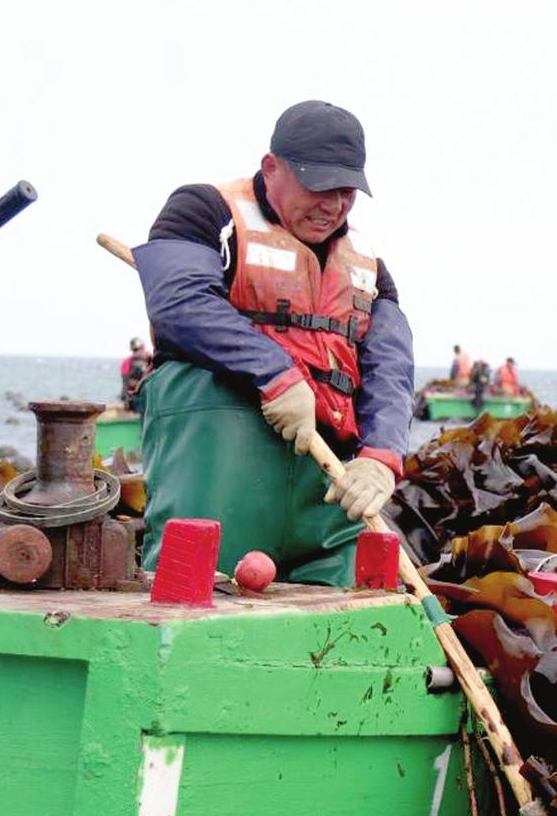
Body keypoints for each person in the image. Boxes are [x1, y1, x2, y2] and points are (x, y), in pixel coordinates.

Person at [131, 100, 414, 586]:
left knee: (346, 618)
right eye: (318, 187)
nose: (333, 206)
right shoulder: (204, 212)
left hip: (326, 484)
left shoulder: (369, 266)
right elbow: (179, 303)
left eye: (345, 191)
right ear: (271, 167)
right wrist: (277, 375)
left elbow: (391, 365)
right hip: (219, 467)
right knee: (195, 592)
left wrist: (382, 456)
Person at [120, 337, 152, 413]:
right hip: (137, 398)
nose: (139, 352)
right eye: (136, 350)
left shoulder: (151, 359)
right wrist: (126, 399)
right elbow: (125, 383)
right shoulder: (127, 362)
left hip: (146, 396)